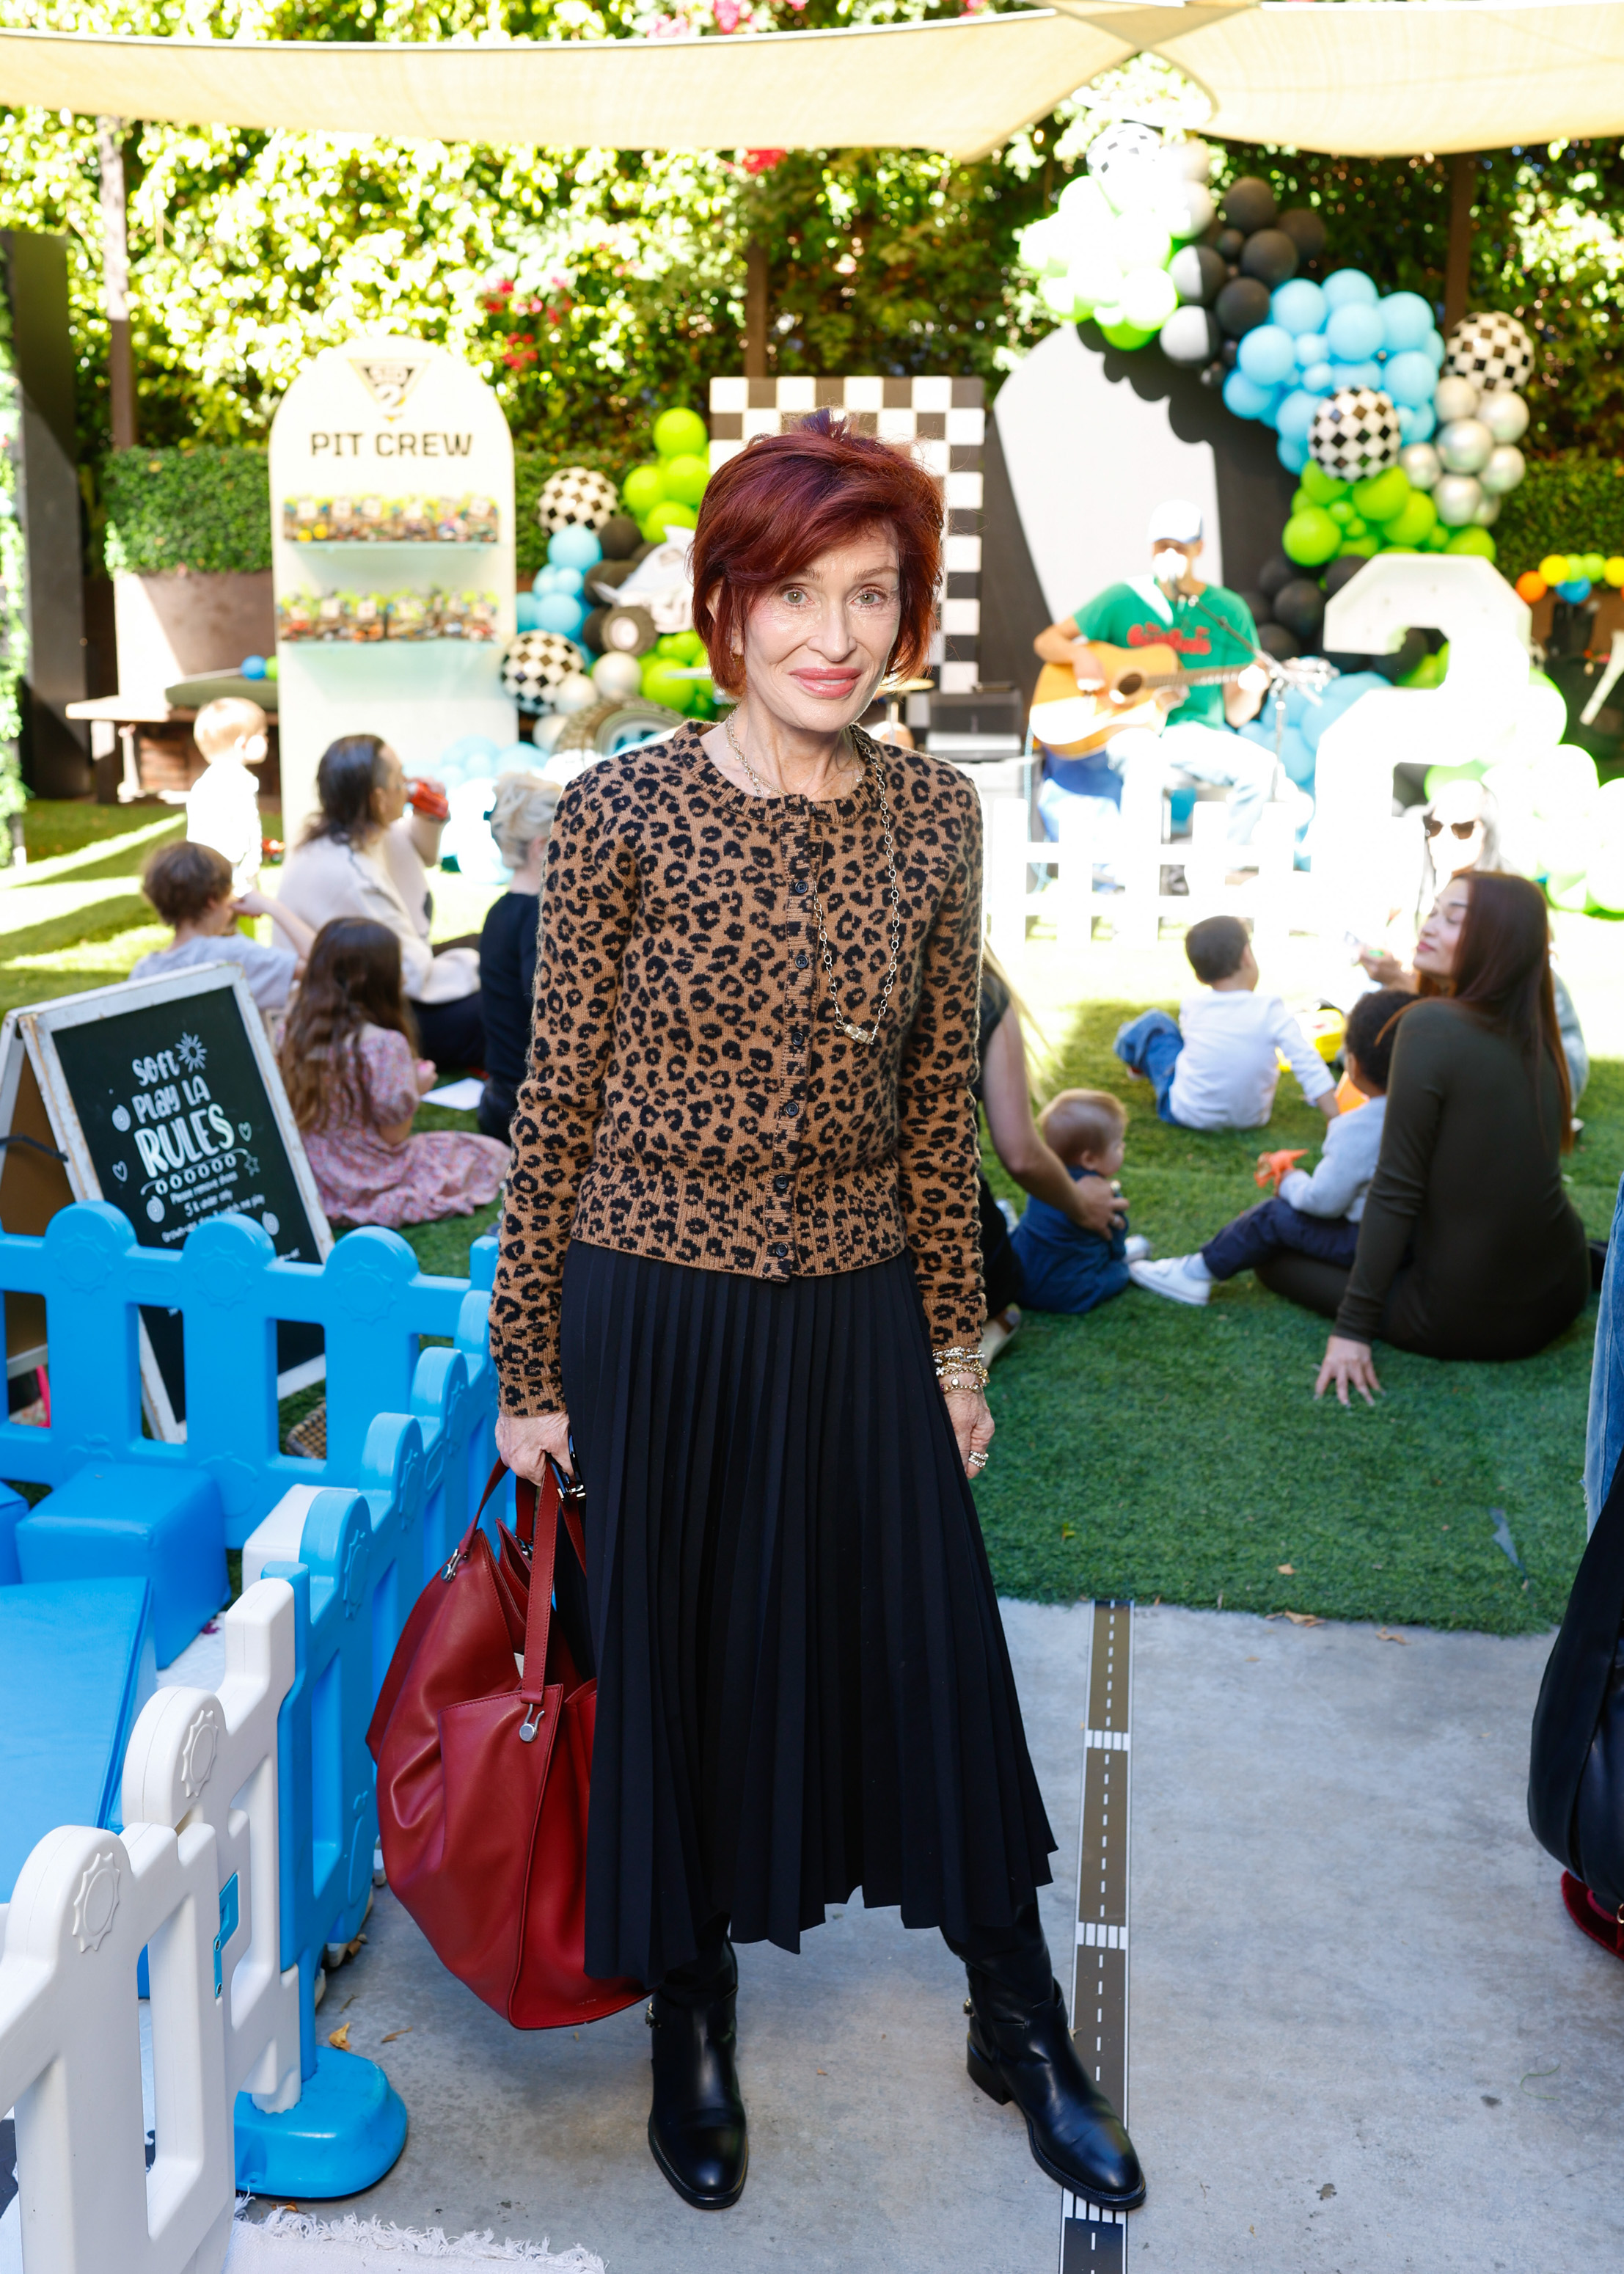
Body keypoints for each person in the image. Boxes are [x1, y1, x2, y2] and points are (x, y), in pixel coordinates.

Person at [489, 412, 1144, 2219]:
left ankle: (1014, 2013)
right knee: (675, 1662)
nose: (833, 633)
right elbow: (547, 1109)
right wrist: (526, 1363)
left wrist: (954, 1347)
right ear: (725, 605)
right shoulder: (618, 809)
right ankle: (688, 2013)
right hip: (654, 1308)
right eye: (794, 591)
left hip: (860, 1298)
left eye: (873, 592)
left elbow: (943, 1108)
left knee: (931, 1649)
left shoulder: (937, 817)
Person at [1312, 871, 1590, 1403]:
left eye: (1452, 917)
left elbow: (1395, 1188)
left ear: (1498, 937)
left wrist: (1352, 1329)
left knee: (1278, 1259)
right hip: (1563, 1286)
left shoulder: (1429, 1025)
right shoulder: (1535, 1028)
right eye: (1434, 910)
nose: (1430, 925)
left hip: (1464, 1319)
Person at [1130, 986, 1411, 1306]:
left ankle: (1196, 1273)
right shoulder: (1439, 1114)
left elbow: (1322, 1201)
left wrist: (1290, 1180)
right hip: (1417, 1240)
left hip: (1365, 1243)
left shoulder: (1359, 1128)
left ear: (1354, 1066)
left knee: (1271, 1217)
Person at [1031, 499, 1276, 864]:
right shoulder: (1124, 597)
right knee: (1146, 758)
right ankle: (1133, 888)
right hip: (1127, 727)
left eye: (1180, 548)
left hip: (1193, 732)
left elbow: (1238, 715)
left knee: (1262, 768)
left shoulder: (1228, 610)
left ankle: (1208, 871)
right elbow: (1046, 641)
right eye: (1162, 547)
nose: (1170, 556)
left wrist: (1252, 689)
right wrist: (1081, 656)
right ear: (1150, 549)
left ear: (1199, 549)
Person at [1358, 774, 1589, 1105]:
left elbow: (1486, 1019)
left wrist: (1400, 980)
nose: (1443, 838)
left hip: (1539, 1073)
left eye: (1462, 827)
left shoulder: (1511, 906)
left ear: (1489, 831)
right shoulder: (1438, 886)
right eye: (1433, 826)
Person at [279, 917, 508, 1229]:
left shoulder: (288, 1031)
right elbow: (394, 1136)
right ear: (380, 978)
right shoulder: (383, 1045)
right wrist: (416, 1089)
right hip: (372, 1175)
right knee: (491, 1153)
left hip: (315, 1176)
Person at [274, 734, 486, 1070]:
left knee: (489, 944)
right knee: (500, 994)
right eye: (400, 780)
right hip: (361, 1013)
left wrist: (430, 813)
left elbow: (422, 853)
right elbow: (414, 976)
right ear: (377, 798)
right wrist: (478, 967)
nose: (410, 787)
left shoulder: (343, 834)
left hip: (377, 982)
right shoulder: (353, 877)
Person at [973, 948, 1142, 1359]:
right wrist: (1084, 1208)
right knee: (1121, 1271)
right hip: (953, 1238)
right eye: (1118, 1144)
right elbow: (1021, 1156)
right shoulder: (982, 993)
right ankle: (989, 1327)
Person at [1113, 913, 1339, 1131]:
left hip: (1184, 1113)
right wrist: (1337, 1119)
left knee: (1155, 1022)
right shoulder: (1271, 1010)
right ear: (1247, 955)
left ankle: (1135, 1060)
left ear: (1199, 977)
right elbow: (1307, 1063)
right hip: (1251, 1119)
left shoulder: (1192, 1006)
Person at [133, 838, 315, 1012]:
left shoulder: (143, 972)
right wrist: (271, 906)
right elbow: (324, 965)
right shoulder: (233, 957)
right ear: (212, 900)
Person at [477, 772, 560, 1142]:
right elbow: (547, 1013)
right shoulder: (537, 918)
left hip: (499, 1098)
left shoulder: (500, 911)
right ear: (542, 847)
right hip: (529, 1111)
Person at [1010, 1090, 1137, 1317]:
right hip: (1068, 1294)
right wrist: (1119, 1258)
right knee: (1121, 1272)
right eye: (1118, 1145)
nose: (1123, 1147)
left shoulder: (1044, 1183)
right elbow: (1116, 1243)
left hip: (1017, 1281)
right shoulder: (1102, 1198)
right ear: (1089, 1160)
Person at [186, 696, 268, 893]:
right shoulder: (239, 781)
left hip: (206, 867)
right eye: (262, 734)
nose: (267, 739)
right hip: (233, 868)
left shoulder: (207, 780)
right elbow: (247, 824)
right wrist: (252, 858)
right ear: (242, 744)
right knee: (237, 912)